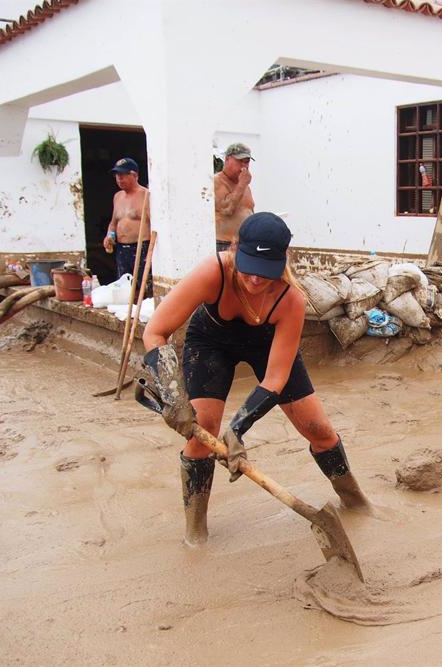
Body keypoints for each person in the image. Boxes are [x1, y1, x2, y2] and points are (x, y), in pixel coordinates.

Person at [141, 211, 370, 546]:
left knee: (318, 429)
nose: (255, 280)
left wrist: (237, 429)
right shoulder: (213, 272)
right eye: (248, 268)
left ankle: (355, 502)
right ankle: (195, 532)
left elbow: (276, 378)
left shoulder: (290, 299)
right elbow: (155, 331)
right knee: (201, 429)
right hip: (211, 343)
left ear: (283, 260)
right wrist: (173, 395)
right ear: (235, 248)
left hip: (268, 347)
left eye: (265, 272)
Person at [103, 157, 153, 296]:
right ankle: (127, 314)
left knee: (144, 287)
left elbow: (154, 223)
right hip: (121, 249)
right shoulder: (117, 196)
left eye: (123, 175)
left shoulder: (146, 195)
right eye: (117, 176)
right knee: (124, 286)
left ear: (134, 175)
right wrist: (109, 235)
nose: (119, 179)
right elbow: (113, 223)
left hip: (141, 247)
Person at [213, 143, 256, 252]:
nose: (244, 165)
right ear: (227, 159)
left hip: (243, 245)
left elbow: (249, 211)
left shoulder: (245, 186)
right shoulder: (216, 182)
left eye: (247, 161)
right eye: (240, 160)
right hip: (222, 244)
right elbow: (226, 209)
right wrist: (242, 185)